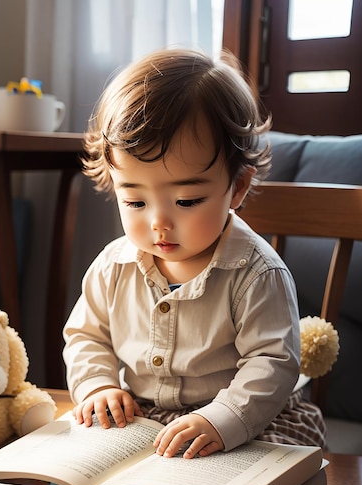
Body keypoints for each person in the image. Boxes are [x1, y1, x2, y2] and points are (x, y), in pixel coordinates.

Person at [63, 47, 325, 459]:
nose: (158, 223)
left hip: (248, 416)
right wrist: (98, 385)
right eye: (134, 202)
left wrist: (220, 419)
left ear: (236, 188)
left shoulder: (257, 274)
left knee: (260, 484)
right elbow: (86, 336)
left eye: (186, 201)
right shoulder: (113, 267)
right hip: (147, 414)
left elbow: (272, 363)